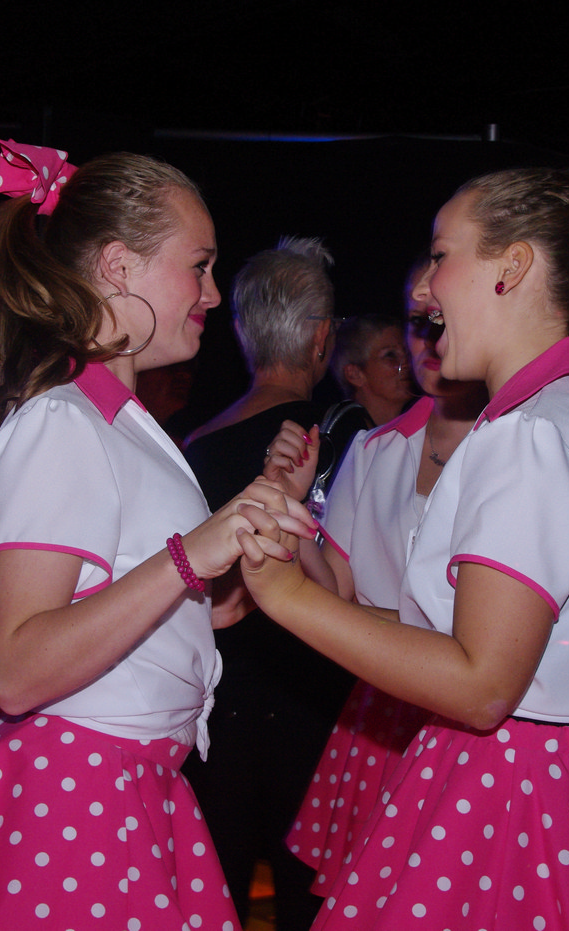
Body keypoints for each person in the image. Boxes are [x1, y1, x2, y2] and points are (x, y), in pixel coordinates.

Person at [0, 153, 313, 931]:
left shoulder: (118, 422)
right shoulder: (60, 419)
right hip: (76, 792)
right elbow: (17, 668)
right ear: (118, 266)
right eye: (198, 266)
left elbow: (167, 611)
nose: (211, 294)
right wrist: (190, 556)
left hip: (121, 781)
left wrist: (246, 545)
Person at [238, 154, 569, 929]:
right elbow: (456, 636)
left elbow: (480, 685)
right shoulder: (562, 419)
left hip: (510, 793)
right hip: (549, 782)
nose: (422, 289)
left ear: (511, 267)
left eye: (441, 255)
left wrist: (282, 594)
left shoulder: (531, 436)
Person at [262, 262, 488, 898]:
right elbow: (335, 591)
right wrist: (291, 508)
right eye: (418, 325)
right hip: (386, 710)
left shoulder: (519, 439)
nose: (430, 339)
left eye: (441, 321)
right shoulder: (374, 449)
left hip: (480, 714)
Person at [181, 236, 355, 931]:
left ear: (244, 333)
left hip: (214, 715)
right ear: (321, 338)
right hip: (313, 712)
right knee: (311, 903)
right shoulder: (344, 440)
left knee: (214, 896)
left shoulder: (189, 449)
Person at [329, 314, 413, 428]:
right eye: (390, 355)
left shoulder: (420, 430)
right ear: (355, 374)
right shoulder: (344, 436)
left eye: (408, 352)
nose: (408, 363)